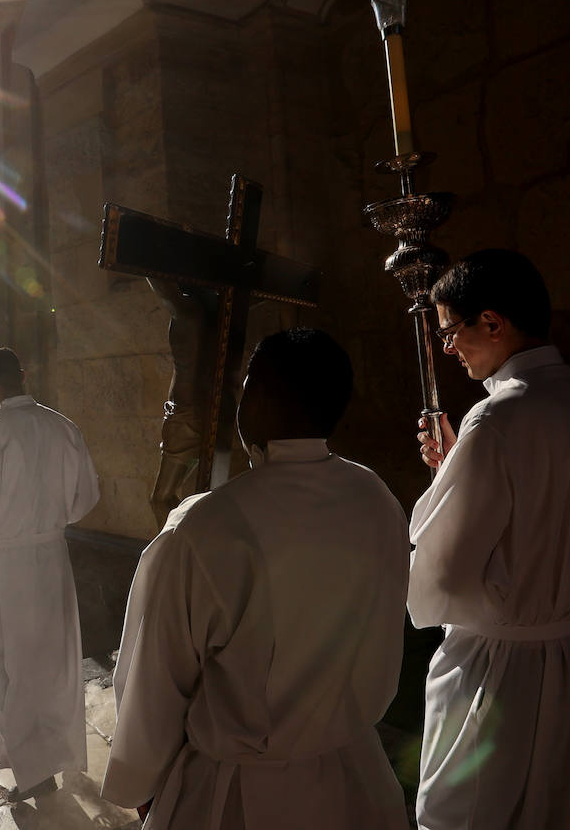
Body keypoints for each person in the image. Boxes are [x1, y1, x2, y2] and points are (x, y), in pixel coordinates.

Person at [101, 327, 410, 829]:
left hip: (239, 794)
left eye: (245, 388)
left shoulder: (207, 525)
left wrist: (142, 779)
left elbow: (157, 678)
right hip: (356, 777)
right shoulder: (377, 498)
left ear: (257, 400)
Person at [411, 249, 570, 829]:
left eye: (450, 331)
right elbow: (551, 519)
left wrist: (456, 477)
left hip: (504, 668)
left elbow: (446, 568)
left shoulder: (495, 420)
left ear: (492, 322)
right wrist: (455, 471)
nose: (447, 347)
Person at [0, 347, 99, 800]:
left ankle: (33, 770)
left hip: (3, 561)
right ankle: (52, 755)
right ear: (23, 375)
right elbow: (85, 497)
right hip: (51, 557)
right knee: (49, 660)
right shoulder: (62, 428)